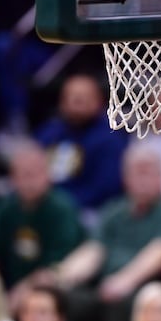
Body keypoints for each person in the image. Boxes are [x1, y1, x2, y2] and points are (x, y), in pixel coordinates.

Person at [45, 145, 161, 321]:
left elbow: (160, 253)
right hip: (105, 283)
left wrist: (124, 281)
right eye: (137, 173)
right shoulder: (114, 210)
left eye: (148, 173)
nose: (142, 180)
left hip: (145, 287)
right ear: (125, 178)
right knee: (69, 298)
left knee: (121, 303)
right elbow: (94, 250)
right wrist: (61, 275)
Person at [0, 140, 84, 289]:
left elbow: (57, 266)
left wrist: (23, 290)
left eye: (35, 173)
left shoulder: (62, 209)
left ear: (47, 174)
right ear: (12, 178)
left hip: (54, 287)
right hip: (9, 284)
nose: (30, 182)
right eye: (24, 174)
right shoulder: (5, 208)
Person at [35, 74, 128, 217]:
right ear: (61, 102)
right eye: (71, 96)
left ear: (99, 101)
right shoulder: (49, 133)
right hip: (47, 207)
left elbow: (107, 187)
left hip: (91, 210)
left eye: (84, 97)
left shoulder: (110, 137)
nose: (77, 101)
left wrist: (65, 206)